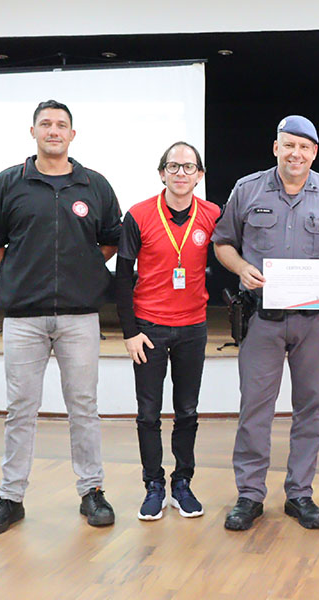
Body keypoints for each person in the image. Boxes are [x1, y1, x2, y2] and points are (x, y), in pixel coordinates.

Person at [0, 99, 122, 535]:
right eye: (46, 124)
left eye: (61, 125)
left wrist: (83, 268)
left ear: (72, 135)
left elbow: (111, 238)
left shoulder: (94, 185)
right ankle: (11, 498)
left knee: (84, 407)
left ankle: (92, 491)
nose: (53, 131)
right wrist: (21, 269)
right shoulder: (8, 183)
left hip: (80, 317)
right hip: (24, 319)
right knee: (20, 409)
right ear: (33, 132)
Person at [214, 115, 319, 531]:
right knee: (255, 407)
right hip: (261, 319)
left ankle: (300, 493)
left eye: (303, 147)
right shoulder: (247, 190)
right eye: (288, 145)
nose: (295, 154)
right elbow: (222, 243)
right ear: (276, 148)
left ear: (314, 153)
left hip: (314, 322)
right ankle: (249, 495)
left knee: (311, 407)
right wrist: (241, 267)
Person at [115, 142, 220, 520]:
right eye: (173, 166)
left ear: (199, 175)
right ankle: (153, 485)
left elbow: (233, 255)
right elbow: (122, 276)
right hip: (149, 329)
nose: (180, 173)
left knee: (187, 411)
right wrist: (130, 331)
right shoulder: (139, 215)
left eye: (188, 167)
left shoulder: (212, 215)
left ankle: (182, 483)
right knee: (148, 413)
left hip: (192, 327)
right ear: (162, 173)